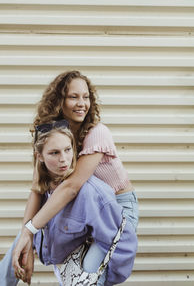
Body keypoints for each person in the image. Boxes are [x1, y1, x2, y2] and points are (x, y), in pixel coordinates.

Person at [0, 70, 139, 284]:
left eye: (86, 97)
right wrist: (26, 234)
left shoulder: (97, 132)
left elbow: (72, 186)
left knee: (85, 276)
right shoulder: (51, 136)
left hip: (113, 210)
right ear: (59, 101)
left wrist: (31, 230)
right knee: (20, 242)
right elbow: (38, 188)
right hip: (78, 205)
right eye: (74, 97)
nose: (82, 103)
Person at [17, 120, 137, 285]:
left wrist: (95, 275)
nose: (64, 159)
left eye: (67, 150)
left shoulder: (91, 192)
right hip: (66, 270)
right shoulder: (46, 193)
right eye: (54, 153)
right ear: (40, 157)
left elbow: (120, 239)